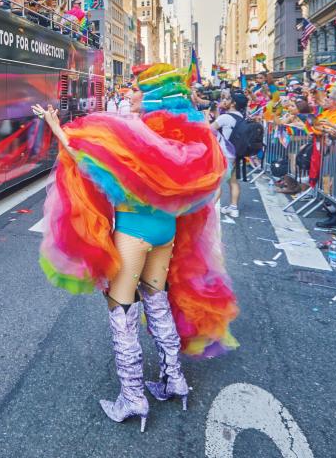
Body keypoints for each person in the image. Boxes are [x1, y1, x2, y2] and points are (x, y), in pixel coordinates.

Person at [33, 64, 237, 431]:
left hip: (133, 233)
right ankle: (175, 381)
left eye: (139, 90)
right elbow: (211, 189)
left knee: (121, 309)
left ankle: (133, 398)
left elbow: (87, 160)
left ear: (154, 98)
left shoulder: (136, 137)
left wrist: (55, 128)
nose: (132, 94)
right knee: (157, 302)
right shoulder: (189, 142)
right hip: (165, 232)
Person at [212, 92, 248, 219]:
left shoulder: (225, 117)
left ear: (233, 103)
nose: (225, 101)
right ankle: (234, 208)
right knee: (233, 181)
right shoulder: (241, 117)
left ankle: (209, 210)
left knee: (215, 184)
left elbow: (209, 130)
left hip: (223, 154)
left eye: (228, 99)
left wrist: (208, 115)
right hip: (235, 155)